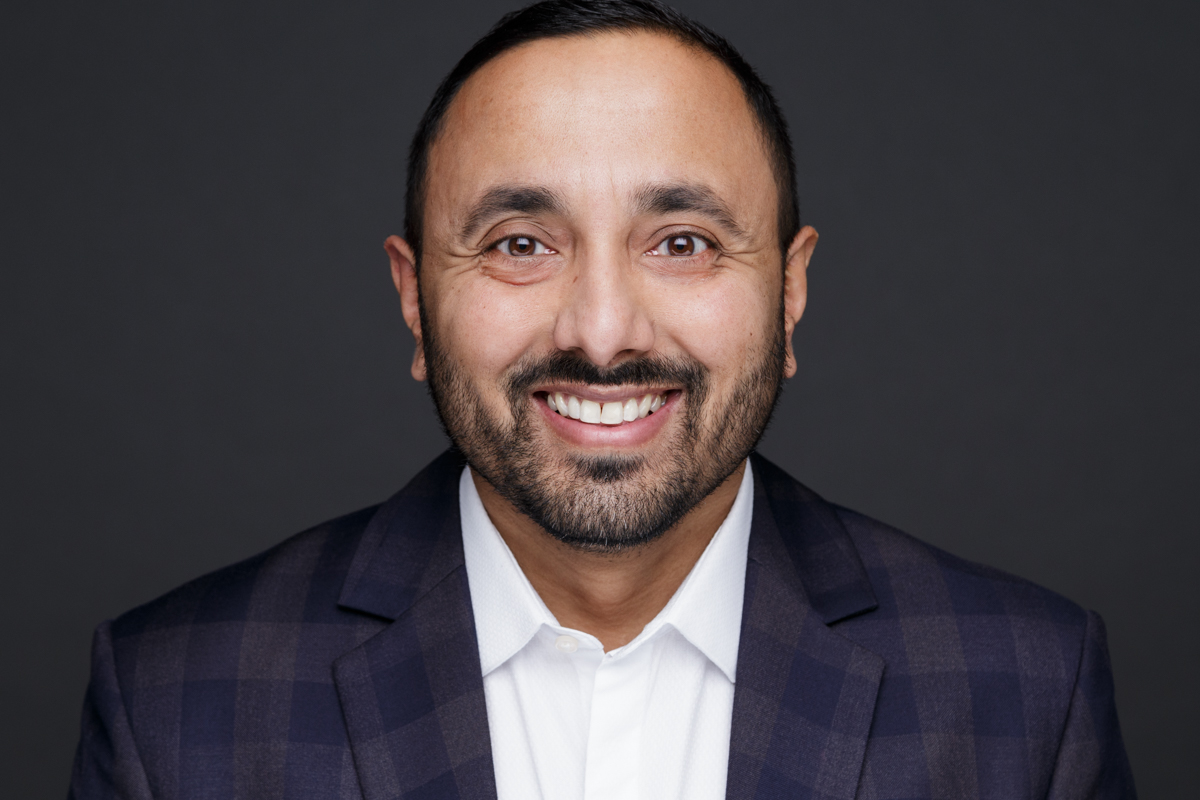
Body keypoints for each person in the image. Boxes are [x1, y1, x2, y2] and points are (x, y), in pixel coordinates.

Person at [69, 1, 1136, 798]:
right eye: (520, 244)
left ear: (792, 288)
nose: (603, 330)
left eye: (682, 242)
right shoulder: (176, 703)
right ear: (412, 296)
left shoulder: (1025, 694)